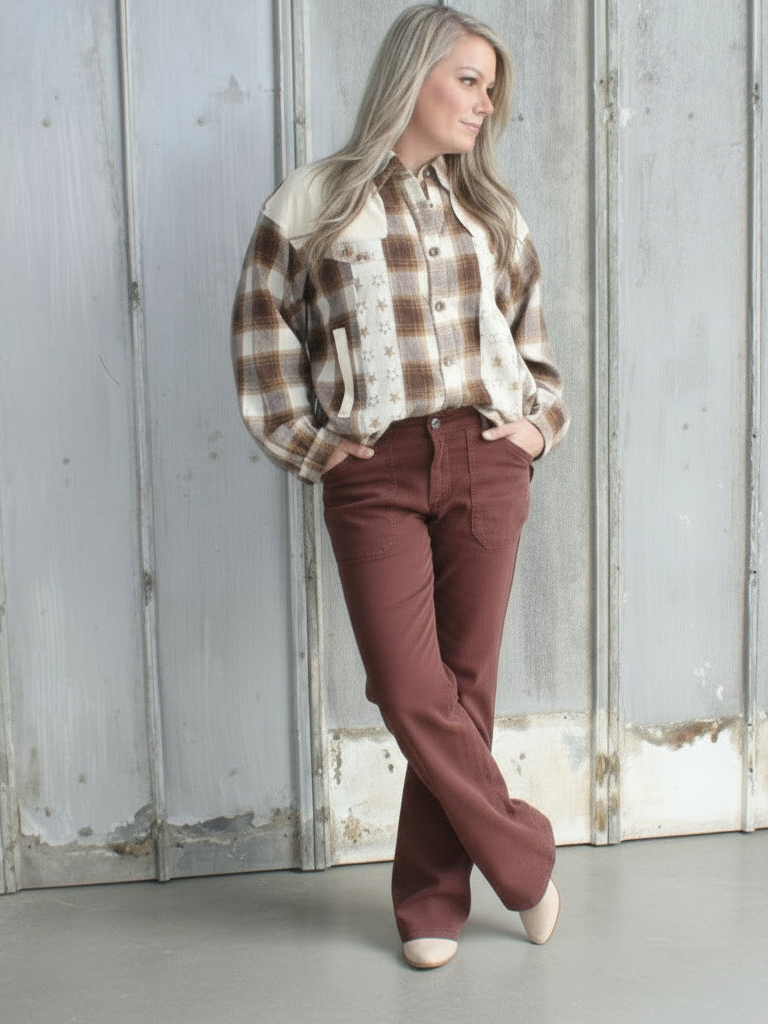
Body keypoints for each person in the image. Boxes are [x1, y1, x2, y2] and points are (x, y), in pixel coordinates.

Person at [232, 3, 568, 970]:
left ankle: (429, 900)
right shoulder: (314, 202)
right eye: (469, 78)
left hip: (486, 457)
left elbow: (536, 351)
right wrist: (310, 443)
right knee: (411, 687)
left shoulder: (490, 211)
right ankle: (526, 858)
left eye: (490, 85)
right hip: (373, 469)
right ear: (414, 77)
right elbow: (264, 340)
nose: (485, 100)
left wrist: (535, 430)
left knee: (466, 691)